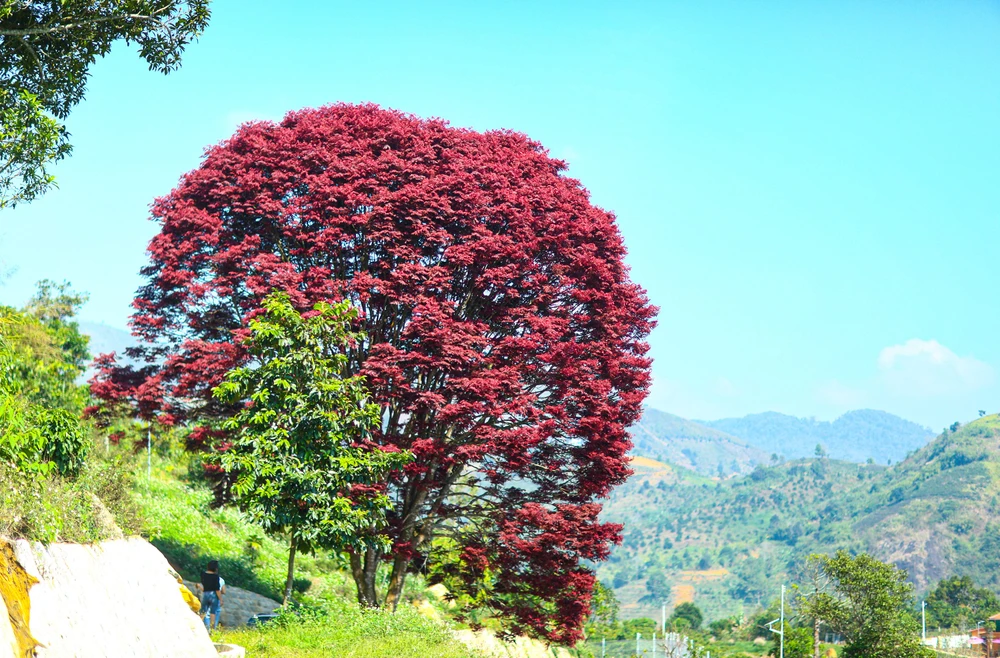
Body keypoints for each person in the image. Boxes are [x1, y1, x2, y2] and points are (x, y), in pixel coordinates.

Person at [195, 560, 224, 631]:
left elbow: (205, 588)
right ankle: (212, 629)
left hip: (206, 594)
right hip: (214, 595)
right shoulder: (216, 576)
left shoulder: (203, 574)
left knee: (203, 611)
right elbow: (217, 589)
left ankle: (198, 627)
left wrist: (199, 586)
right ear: (216, 568)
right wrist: (220, 599)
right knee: (213, 613)